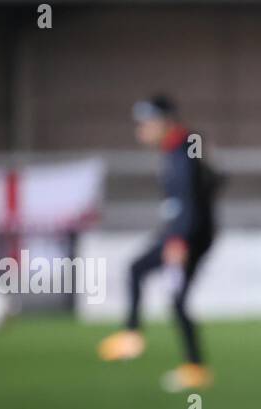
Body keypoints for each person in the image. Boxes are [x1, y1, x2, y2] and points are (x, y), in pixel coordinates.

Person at [98, 95, 217, 391]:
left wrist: (179, 240)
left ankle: (190, 365)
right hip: (186, 231)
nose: (141, 129)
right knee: (143, 274)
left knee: (171, 296)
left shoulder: (183, 149)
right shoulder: (184, 146)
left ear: (164, 122)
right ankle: (137, 338)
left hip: (187, 235)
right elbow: (211, 182)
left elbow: (188, 197)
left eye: (146, 123)